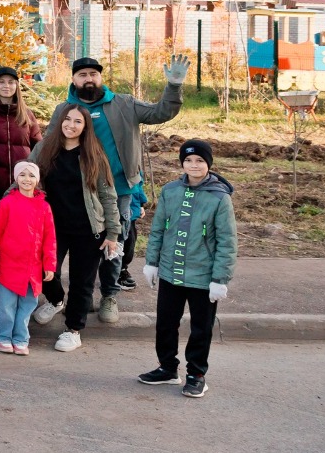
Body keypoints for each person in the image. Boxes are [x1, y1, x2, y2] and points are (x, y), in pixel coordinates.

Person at [57, 54, 187, 323]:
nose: (89, 79)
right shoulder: (65, 111)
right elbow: (47, 146)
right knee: (81, 248)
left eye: (93, 74)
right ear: (73, 79)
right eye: (82, 75)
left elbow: (160, 112)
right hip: (78, 193)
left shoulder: (124, 104)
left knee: (113, 244)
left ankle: (109, 295)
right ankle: (77, 299)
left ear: (100, 77)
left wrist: (173, 86)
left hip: (118, 191)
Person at [139, 139, 237, 399]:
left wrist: (220, 278)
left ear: (208, 164)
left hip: (203, 276)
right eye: (188, 160)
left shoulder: (219, 198)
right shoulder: (170, 191)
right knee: (165, 323)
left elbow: (227, 241)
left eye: (200, 161)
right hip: (170, 272)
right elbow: (158, 229)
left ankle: (196, 374)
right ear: (182, 163)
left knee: (200, 328)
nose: (194, 165)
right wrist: (152, 262)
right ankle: (167, 368)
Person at [29, 101, 121, 353]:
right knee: (44, 270)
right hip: (51, 227)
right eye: (67, 119)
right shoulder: (45, 148)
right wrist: (8, 198)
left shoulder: (93, 154)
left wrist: (113, 232)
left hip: (88, 229)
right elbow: (25, 177)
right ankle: (56, 300)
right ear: (60, 122)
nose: (71, 125)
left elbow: (108, 195)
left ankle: (73, 330)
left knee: (82, 282)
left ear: (85, 126)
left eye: (78, 121)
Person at [0, 160, 57, 355]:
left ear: (37, 180)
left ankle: (20, 338)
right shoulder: (7, 203)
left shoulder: (44, 207)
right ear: (16, 178)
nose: (27, 179)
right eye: (22, 175)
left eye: (31, 175)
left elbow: (50, 238)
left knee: (27, 305)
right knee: (6, 305)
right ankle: (3, 336)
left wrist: (49, 264)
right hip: (9, 263)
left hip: (33, 267)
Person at [0, 66, 41, 228]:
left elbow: (39, 148)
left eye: (11, 82)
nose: (6, 86)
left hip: (21, 187)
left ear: (16, 86)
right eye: (1, 82)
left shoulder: (27, 115)